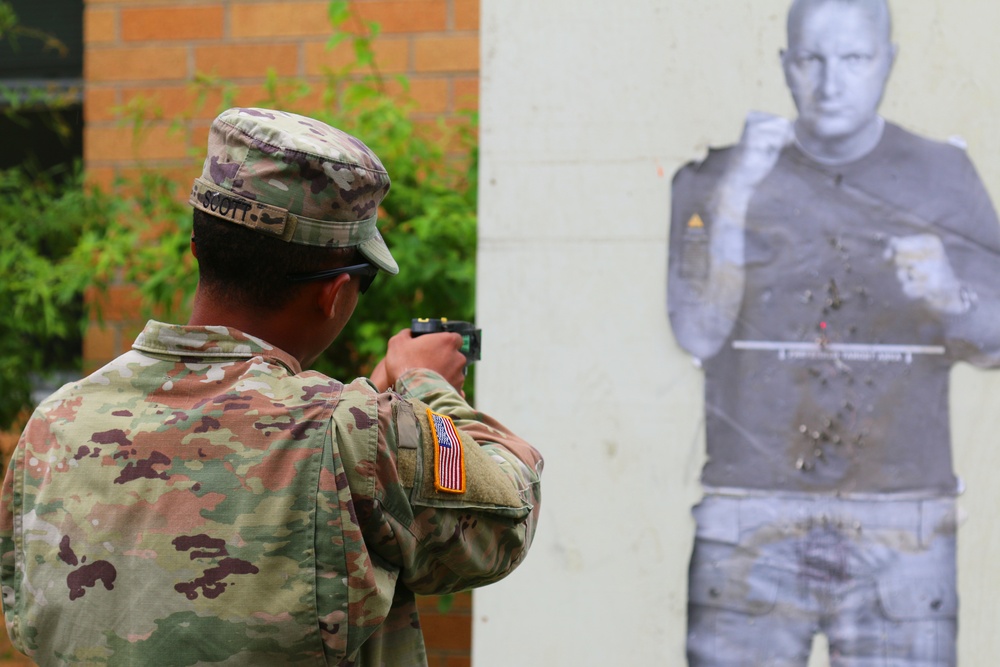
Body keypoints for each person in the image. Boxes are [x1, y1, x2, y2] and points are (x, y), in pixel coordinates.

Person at [0, 107, 543, 666]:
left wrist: (365, 407)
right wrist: (423, 385)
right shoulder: (358, 433)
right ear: (333, 293)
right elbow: (508, 515)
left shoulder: (55, 424)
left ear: (198, 248)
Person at [667, 0, 1000, 664]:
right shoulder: (719, 177)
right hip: (749, 508)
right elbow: (696, 332)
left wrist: (945, 291)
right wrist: (736, 197)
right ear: (786, 65)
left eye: (854, 58)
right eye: (812, 59)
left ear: (888, 62)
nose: (831, 81)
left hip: (904, 516)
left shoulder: (942, 173)